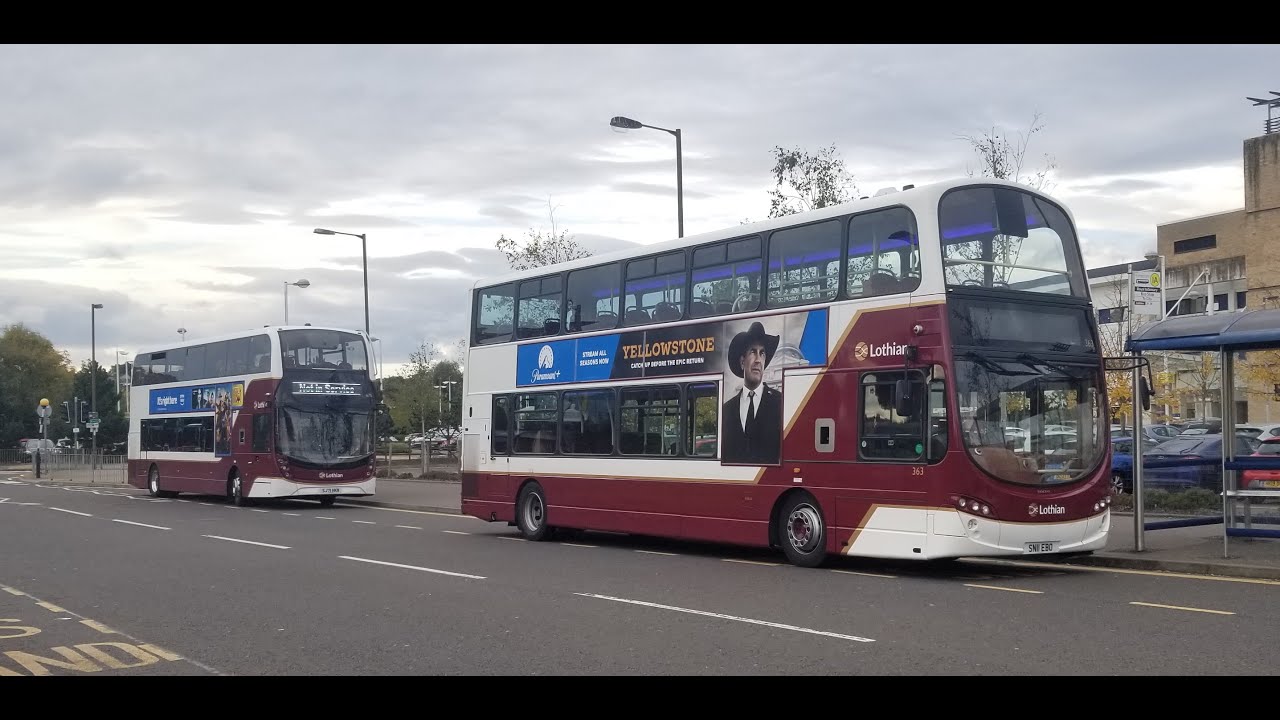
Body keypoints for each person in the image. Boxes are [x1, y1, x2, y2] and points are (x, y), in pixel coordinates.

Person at [721, 321, 782, 464]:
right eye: (753, 352)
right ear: (742, 362)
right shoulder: (727, 409)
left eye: (762, 354)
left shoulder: (780, 403)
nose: (758, 360)